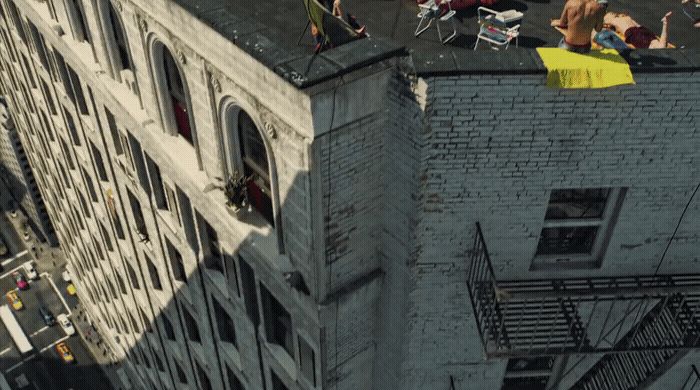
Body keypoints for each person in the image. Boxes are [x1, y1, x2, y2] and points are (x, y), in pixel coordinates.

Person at [603, 11, 673, 48]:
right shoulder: (626, 17)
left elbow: (603, 23)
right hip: (641, 29)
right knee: (660, 45)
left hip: (634, 33)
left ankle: (665, 23)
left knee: (659, 48)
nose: (610, 13)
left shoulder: (613, 20)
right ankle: (665, 23)